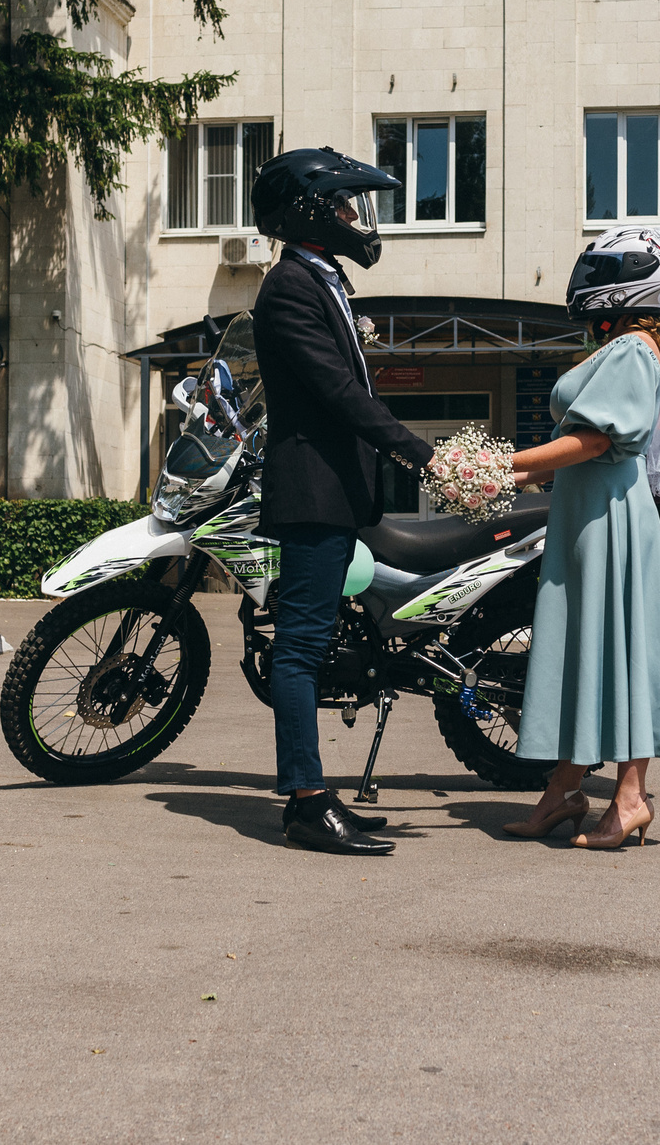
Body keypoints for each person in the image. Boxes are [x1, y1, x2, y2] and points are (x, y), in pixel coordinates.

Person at [502, 226, 660, 849]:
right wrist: (520, 475)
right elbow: (589, 442)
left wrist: (509, 464)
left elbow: (599, 440)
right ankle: (565, 790)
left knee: (617, 648)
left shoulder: (633, 349)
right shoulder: (627, 347)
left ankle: (628, 799)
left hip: (606, 518)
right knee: (591, 645)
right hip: (589, 513)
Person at [248, 147, 435, 856]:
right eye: (346, 203)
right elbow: (337, 393)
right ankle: (304, 803)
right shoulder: (290, 286)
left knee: (310, 644)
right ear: (310, 211)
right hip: (311, 492)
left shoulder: (322, 280)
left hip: (333, 492)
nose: (358, 217)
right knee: (298, 651)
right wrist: (418, 452)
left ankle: (315, 795)